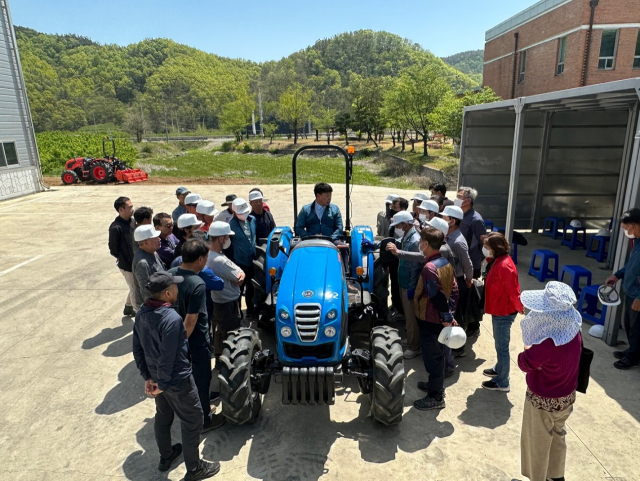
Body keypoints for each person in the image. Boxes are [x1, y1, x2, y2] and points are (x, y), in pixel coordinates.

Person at [132, 271, 220, 480]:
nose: (178, 289)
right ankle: (194, 468)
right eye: (176, 287)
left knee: (163, 415)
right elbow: (169, 357)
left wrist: (148, 377)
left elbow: (137, 349)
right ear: (168, 293)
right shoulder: (171, 319)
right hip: (176, 381)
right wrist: (161, 382)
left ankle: (166, 455)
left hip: (156, 378)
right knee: (193, 419)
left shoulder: (142, 313)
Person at [518, 281, 582, 481]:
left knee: (537, 444)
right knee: (557, 436)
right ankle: (556, 476)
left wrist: (528, 350)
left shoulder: (547, 344)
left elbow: (523, 363)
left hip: (542, 400)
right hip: (566, 397)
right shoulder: (574, 331)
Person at [168, 239, 225, 432]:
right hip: (194, 341)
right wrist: (180, 345)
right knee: (201, 379)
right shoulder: (197, 283)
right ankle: (204, 420)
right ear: (200, 259)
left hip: (172, 336)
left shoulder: (170, 275)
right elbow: (191, 320)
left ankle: (195, 405)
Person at [412, 227, 458, 410]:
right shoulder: (444, 262)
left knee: (434, 359)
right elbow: (454, 290)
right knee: (437, 356)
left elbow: (436, 295)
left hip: (431, 321)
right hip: (439, 319)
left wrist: (446, 317)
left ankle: (436, 397)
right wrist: (450, 314)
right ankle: (434, 385)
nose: (419, 244)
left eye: (421, 240)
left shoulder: (429, 269)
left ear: (426, 244)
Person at [482, 232, 524, 392]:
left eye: (487, 246)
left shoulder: (504, 266)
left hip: (504, 311)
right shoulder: (498, 261)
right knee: (499, 343)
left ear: (495, 248)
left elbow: (513, 291)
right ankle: (499, 369)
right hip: (499, 308)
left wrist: (519, 307)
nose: (485, 249)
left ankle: (502, 381)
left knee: (502, 347)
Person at [606, 207, 640, 370]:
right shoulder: (638, 242)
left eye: (626, 229)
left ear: (634, 226)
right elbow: (632, 265)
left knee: (637, 328)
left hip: (638, 295)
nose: (626, 232)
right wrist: (617, 275)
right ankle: (632, 350)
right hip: (631, 291)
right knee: (629, 324)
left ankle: (634, 357)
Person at [386, 211, 423, 360]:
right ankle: (410, 339)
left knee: (411, 317)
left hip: (409, 283)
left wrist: (412, 287)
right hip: (404, 280)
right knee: (408, 318)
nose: (398, 227)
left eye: (399, 224)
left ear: (405, 224)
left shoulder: (414, 240)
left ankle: (414, 347)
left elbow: (415, 267)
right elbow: (398, 242)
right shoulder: (408, 236)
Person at [206, 222, 246, 357]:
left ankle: (219, 358)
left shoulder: (210, 255)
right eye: (227, 237)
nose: (229, 240)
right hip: (227, 304)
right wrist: (241, 275)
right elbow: (238, 275)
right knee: (231, 335)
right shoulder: (219, 260)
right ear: (221, 239)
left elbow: (239, 274)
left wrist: (241, 274)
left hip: (218, 301)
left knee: (219, 331)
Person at [456, 186, 486, 336]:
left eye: (459, 196)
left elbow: (483, 242)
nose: (456, 198)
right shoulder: (459, 215)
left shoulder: (476, 219)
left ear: (468, 200)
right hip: (460, 260)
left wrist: (480, 260)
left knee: (471, 296)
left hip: (472, 264)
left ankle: (474, 326)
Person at [442, 205, 473, 336]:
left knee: (457, 315)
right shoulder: (448, 236)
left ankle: (458, 347)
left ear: (452, 221)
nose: (441, 219)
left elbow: (468, 264)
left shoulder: (457, 242)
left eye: (444, 217)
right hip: (449, 281)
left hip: (458, 281)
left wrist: (468, 280)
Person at [229, 198, 258, 319]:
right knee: (239, 290)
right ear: (235, 213)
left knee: (251, 287)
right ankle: (238, 313)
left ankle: (250, 311)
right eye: (241, 213)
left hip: (252, 260)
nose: (244, 214)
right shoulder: (231, 225)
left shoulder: (252, 220)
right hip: (240, 262)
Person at [109, 196, 136, 316]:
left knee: (135, 286)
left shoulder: (133, 222)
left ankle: (129, 306)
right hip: (126, 265)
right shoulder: (116, 228)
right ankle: (139, 312)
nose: (133, 209)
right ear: (121, 210)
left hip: (136, 262)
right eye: (130, 207)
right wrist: (124, 257)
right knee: (135, 288)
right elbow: (113, 249)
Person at [387, 196, 410, 319]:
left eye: (396, 208)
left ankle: (401, 310)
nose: (393, 210)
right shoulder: (394, 223)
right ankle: (395, 304)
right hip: (394, 260)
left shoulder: (409, 228)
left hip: (402, 261)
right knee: (394, 285)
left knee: (400, 286)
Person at [132, 224, 166, 309]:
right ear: (146, 242)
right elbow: (146, 293)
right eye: (155, 238)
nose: (159, 239)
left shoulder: (153, 252)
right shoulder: (142, 263)